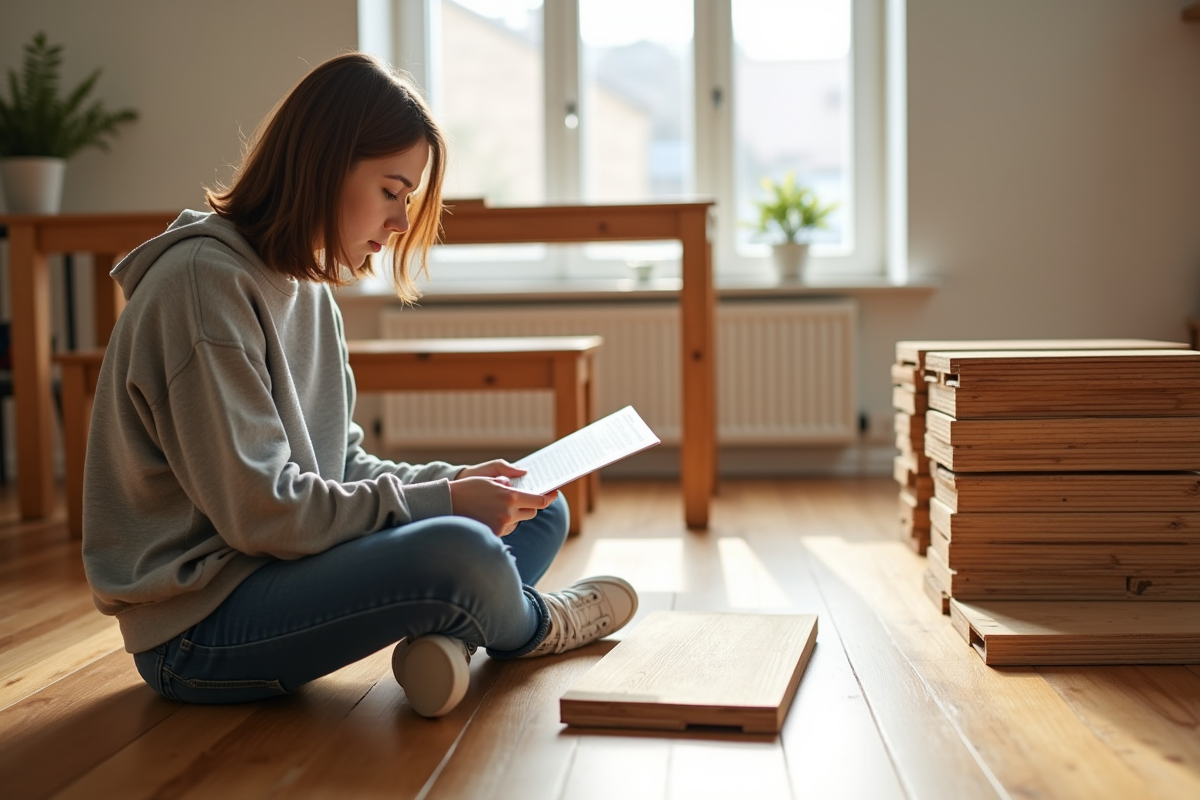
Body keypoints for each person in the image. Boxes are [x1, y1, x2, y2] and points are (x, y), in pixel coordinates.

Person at [81, 52, 637, 718]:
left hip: (280, 569)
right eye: (391, 190)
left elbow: (343, 466)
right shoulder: (202, 288)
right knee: (463, 549)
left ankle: (454, 643)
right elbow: (265, 512)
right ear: (323, 164)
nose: (400, 223)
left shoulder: (306, 288)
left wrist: (464, 483)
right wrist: (447, 505)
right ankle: (534, 626)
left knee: (538, 508)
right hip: (199, 630)